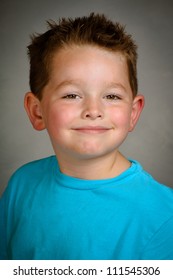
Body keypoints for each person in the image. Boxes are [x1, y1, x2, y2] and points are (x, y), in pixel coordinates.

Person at [0, 13, 173, 260]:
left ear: (133, 113)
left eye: (111, 96)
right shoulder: (22, 184)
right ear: (37, 111)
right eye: (71, 95)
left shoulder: (164, 216)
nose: (93, 110)